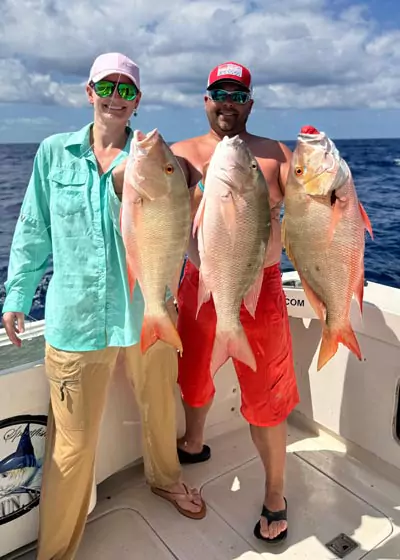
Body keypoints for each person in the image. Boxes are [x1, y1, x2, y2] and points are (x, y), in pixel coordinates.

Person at [2, 52, 205, 560]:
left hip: (148, 311)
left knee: (161, 409)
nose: (116, 97)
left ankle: (166, 480)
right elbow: (33, 230)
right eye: (106, 87)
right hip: (76, 319)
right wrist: (17, 295)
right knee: (70, 449)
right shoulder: (52, 153)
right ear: (88, 92)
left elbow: (188, 214)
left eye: (127, 89)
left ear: (137, 100)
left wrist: (191, 177)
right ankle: (57, 550)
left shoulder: (153, 161)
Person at [170, 61, 300, 544]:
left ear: (250, 101)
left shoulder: (273, 155)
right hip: (200, 281)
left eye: (237, 94)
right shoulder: (181, 155)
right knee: (194, 374)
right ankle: (194, 440)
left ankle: (274, 493)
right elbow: (145, 195)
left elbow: (310, 208)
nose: (227, 102)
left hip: (260, 286)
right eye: (219, 93)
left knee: (266, 396)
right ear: (205, 99)